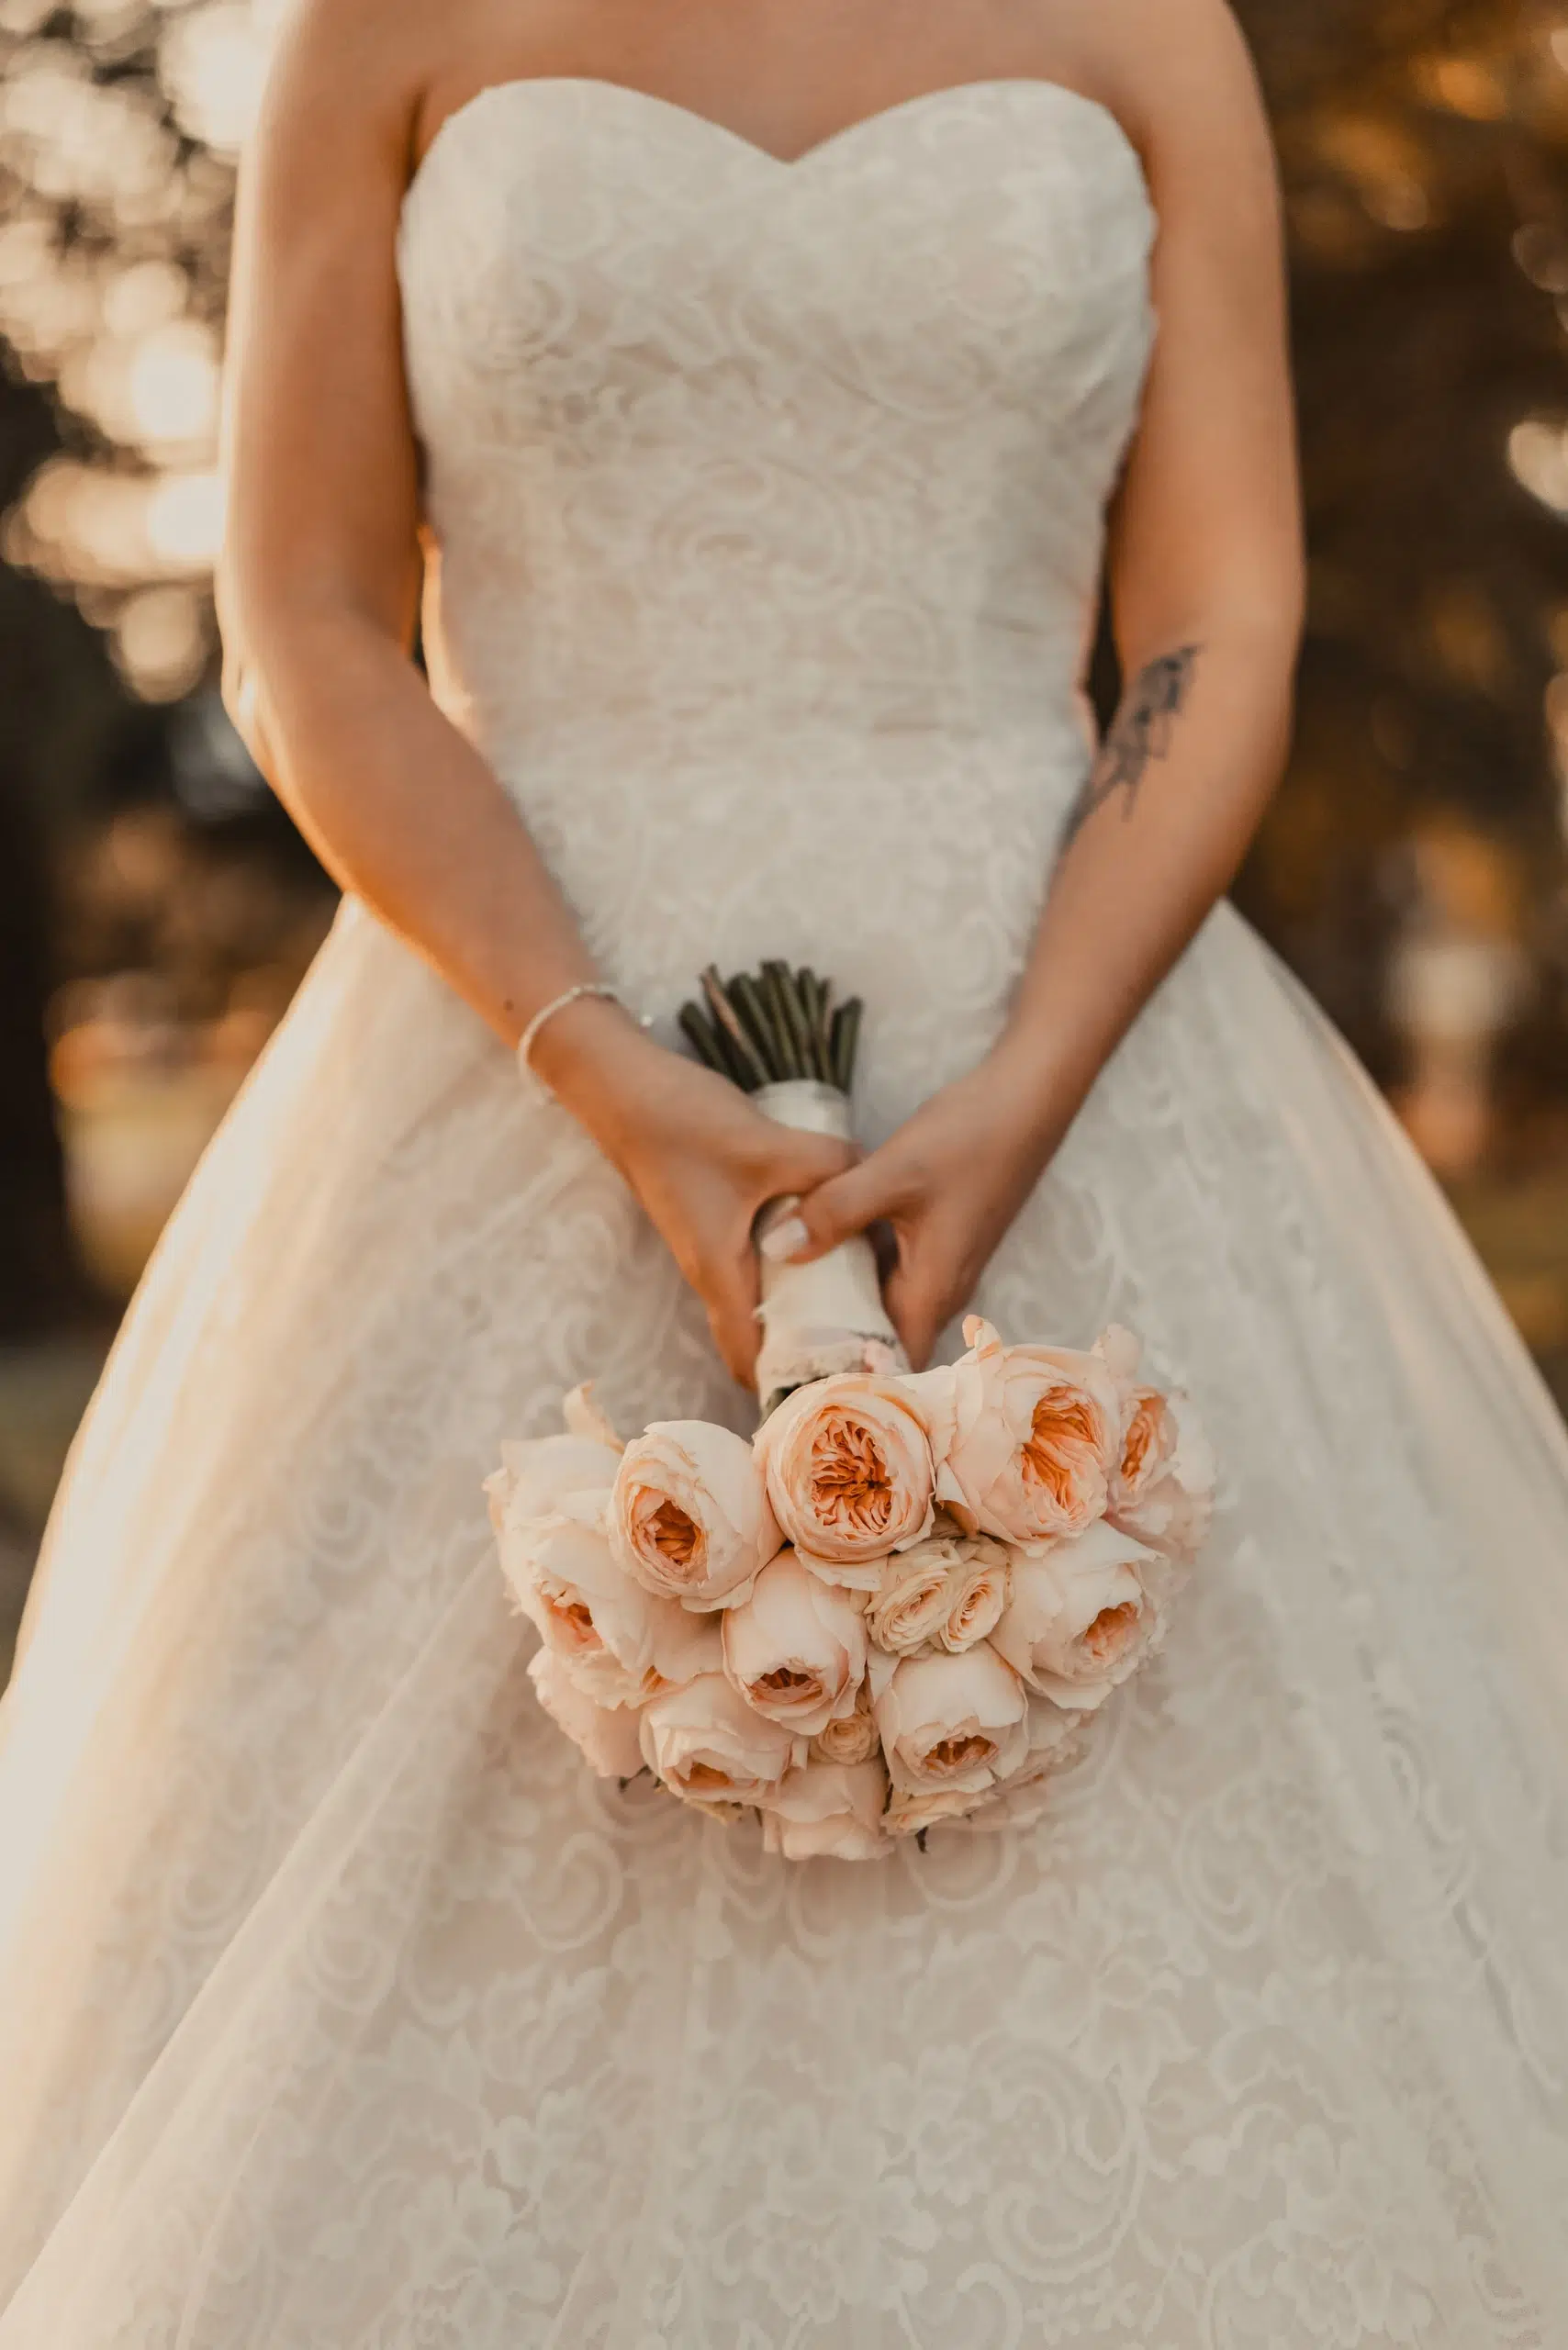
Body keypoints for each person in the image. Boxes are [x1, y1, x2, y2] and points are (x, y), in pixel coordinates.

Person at [3, 0, 1568, 2337]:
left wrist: (1032, 1082)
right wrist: (602, 1061)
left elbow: (1217, 622)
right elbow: (306, 622)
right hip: (504, 1040)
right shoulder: (379, 29)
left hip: (1064, 1012)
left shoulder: (1152, 30)